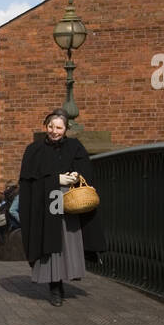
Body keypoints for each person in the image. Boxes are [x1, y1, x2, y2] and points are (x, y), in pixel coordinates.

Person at [18, 110, 105, 306]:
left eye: (59, 127)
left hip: (70, 199)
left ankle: (68, 275)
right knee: (52, 242)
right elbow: (27, 180)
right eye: (51, 127)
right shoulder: (34, 149)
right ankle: (54, 285)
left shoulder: (75, 147)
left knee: (68, 239)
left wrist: (75, 175)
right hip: (49, 200)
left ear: (66, 129)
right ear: (45, 126)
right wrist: (54, 179)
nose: (54, 131)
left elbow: (86, 170)